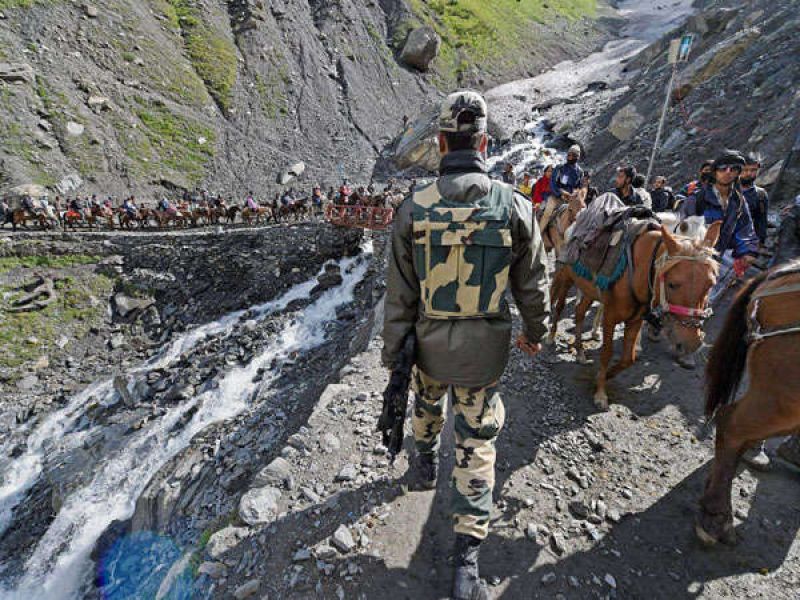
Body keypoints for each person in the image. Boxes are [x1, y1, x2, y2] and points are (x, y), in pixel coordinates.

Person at [382, 90, 550, 600]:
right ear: (483, 141)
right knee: (478, 443)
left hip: (429, 343)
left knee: (426, 403)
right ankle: (466, 561)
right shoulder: (514, 206)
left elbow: (399, 293)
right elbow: (535, 283)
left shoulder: (413, 207)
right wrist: (535, 333)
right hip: (485, 350)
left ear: (440, 141)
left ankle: (425, 461)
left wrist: (394, 357)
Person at [540, 145, 584, 232]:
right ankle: (539, 233)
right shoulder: (560, 168)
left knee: (579, 217)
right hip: (556, 197)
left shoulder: (580, 172)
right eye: (569, 155)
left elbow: (579, 187)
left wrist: (573, 196)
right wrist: (560, 193)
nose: (570, 157)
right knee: (548, 213)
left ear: (577, 157)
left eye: (573, 155)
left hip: (570, 200)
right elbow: (552, 183)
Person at [740, 152, 770, 246]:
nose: (749, 173)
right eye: (745, 170)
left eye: (753, 170)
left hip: (743, 242)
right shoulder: (725, 189)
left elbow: (761, 222)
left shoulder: (760, 194)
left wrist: (759, 243)